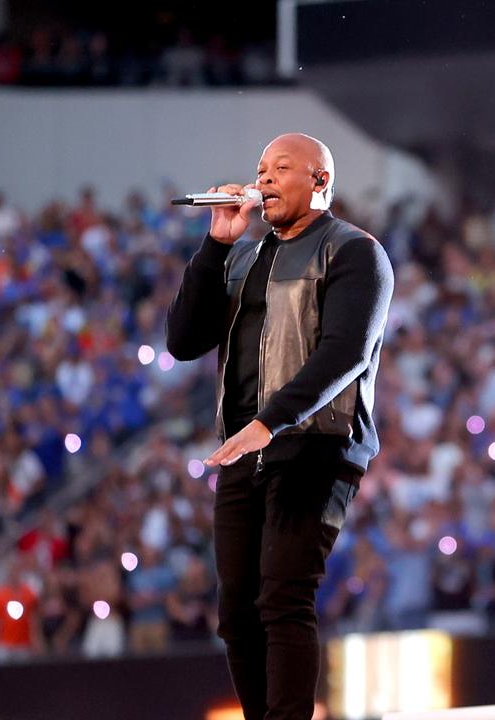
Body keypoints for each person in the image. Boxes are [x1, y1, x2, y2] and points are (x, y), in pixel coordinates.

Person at [166, 133, 394, 720]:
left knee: (283, 597)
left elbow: (345, 352)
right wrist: (216, 246)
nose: (262, 179)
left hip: (316, 443)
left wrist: (272, 421)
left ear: (319, 181)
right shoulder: (244, 253)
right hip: (244, 447)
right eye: (260, 169)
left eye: (280, 169)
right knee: (236, 612)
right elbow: (184, 340)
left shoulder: (353, 252)